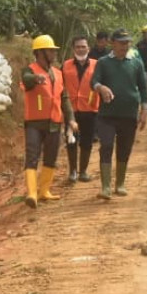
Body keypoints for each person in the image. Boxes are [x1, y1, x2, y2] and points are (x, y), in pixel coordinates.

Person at [90, 28, 147, 199]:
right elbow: (93, 81)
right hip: (107, 115)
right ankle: (106, 186)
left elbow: (143, 88)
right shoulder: (103, 62)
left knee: (125, 148)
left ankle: (120, 183)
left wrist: (144, 109)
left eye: (128, 42)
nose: (125, 46)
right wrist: (101, 88)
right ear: (112, 43)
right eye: (122, 43)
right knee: (106, 145)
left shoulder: (136, 63)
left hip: (129, 114)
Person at [21, 35, 76, 208]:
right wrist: (36, 79)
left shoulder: (58, 73)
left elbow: (64, 98)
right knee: (32, 157)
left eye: (54, 51)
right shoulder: (29, 70)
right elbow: (26, 80)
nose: (53, 53)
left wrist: (71, 119)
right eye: (50, 50)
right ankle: (31, 194)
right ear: (40, 52)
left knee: (51, 157)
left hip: (54, 122)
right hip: (34, 124)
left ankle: (44, 191)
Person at [61, 35, 98, 183]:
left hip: (90, 109)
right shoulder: (65, 65)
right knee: (71, 140)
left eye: (83, 46)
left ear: (88, 48)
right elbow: (60, 86)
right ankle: (72, 172)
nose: (81, 49)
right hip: (71, 110)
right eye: (78, 47)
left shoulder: (97, 65)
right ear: (73, 49)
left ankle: (83, 171)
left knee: (87, 141)